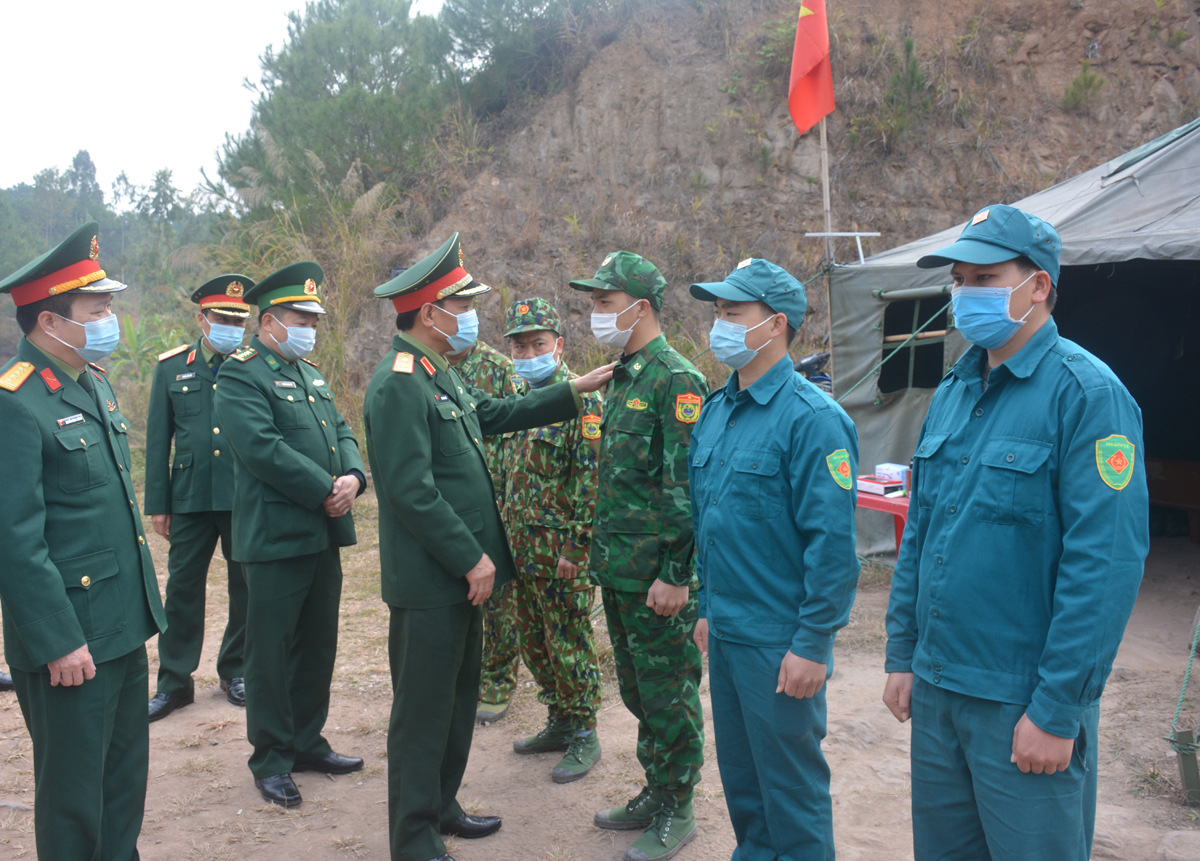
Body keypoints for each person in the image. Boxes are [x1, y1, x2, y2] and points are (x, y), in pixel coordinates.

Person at [882, 204, 1150, 860]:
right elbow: (921, 527)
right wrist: (902, 648)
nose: (966, 293)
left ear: (1038, 286)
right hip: (940, 690)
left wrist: (1058, 710)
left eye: (985, 277)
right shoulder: (953, 390)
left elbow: (1105, 563)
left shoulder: (1087, 396)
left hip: (1020, 701)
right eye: (960, 279)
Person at [362, 233, 615, 861]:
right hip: (433, 579)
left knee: (454, 703)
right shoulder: (399, 384)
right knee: (422, 715)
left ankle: (442, 807)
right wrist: (471, 557)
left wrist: (572, 390)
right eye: (462, 303)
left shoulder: (437, 373)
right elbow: (411, 492)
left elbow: (495, 415)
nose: (470, 314)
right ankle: (414, 839)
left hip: (457, 578)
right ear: (430, 313)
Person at [0, 221, 167, 859]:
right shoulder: (16, 403)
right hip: (71, 639)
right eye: (96, 311)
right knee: (74, 798)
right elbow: (15, 540)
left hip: (120, 624)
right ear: (49, 321)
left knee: (123, 784)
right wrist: (58, 639)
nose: (109, 321)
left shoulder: (90, 381)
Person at [688, 259, 860, 861]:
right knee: (744, 786)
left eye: (733, 314)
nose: (720, 325)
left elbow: (833, 548)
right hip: (729, 634)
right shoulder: (715, 412)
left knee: (792, 793)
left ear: (776, 324)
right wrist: (706, 608)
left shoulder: (813, 420)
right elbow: (710, 523)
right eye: (717, 313)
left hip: (779, 642)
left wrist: (814, 641)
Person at [568, 251, 708, 861]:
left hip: (658, 578)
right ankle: (656, 789)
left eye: (603, 303)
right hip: (620, 571)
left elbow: (685, 489)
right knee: (636, 691)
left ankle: (679, 806)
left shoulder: (676, 379)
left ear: (640, 306)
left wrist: (676, 573)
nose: (594, 314)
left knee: (669, 691)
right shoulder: (621, 375)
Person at [213, 262, 367, 809]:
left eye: (314, 319)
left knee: (317, 645)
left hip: (322, 531)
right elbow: (261, 448)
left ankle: (307, 742)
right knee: (271, 654)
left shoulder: (310, 372)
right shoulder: (240, 374)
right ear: (271, 320)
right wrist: (326, 487)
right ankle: (272, 758)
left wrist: (354, 477)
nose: (310, 328)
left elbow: (341, 428)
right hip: (277, 535)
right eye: (302, 318)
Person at [502, 298, 605, 783]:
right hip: (521, 548)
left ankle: (584, 730)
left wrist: (577, 548)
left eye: (537, 344)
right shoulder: (518, 401)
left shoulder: (584, 401)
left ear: (559, 345)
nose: (528, 354)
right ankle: (559, 720)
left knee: (568, 642)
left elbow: (590, 481)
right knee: (533, 642)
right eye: (520, 346)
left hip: (561, 553)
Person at [144, 275, 254, 720]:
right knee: (182, 590)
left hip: (242, 494)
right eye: (223, 317)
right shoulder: (172, 367)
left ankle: (237, 670)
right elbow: (157, 440)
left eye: (238, 319)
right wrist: (158, 502)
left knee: (245, 587)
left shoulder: (251, 365)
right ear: (202, 318)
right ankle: (174, 683)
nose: (231, 326)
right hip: (189, 497)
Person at [447, 337, 521, 724]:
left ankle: (498, 680)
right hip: (454, 498)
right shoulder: (433, 365)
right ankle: (466, 676)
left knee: (499, 600)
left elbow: (516, 422)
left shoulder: (498, 367)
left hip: (497, 493)